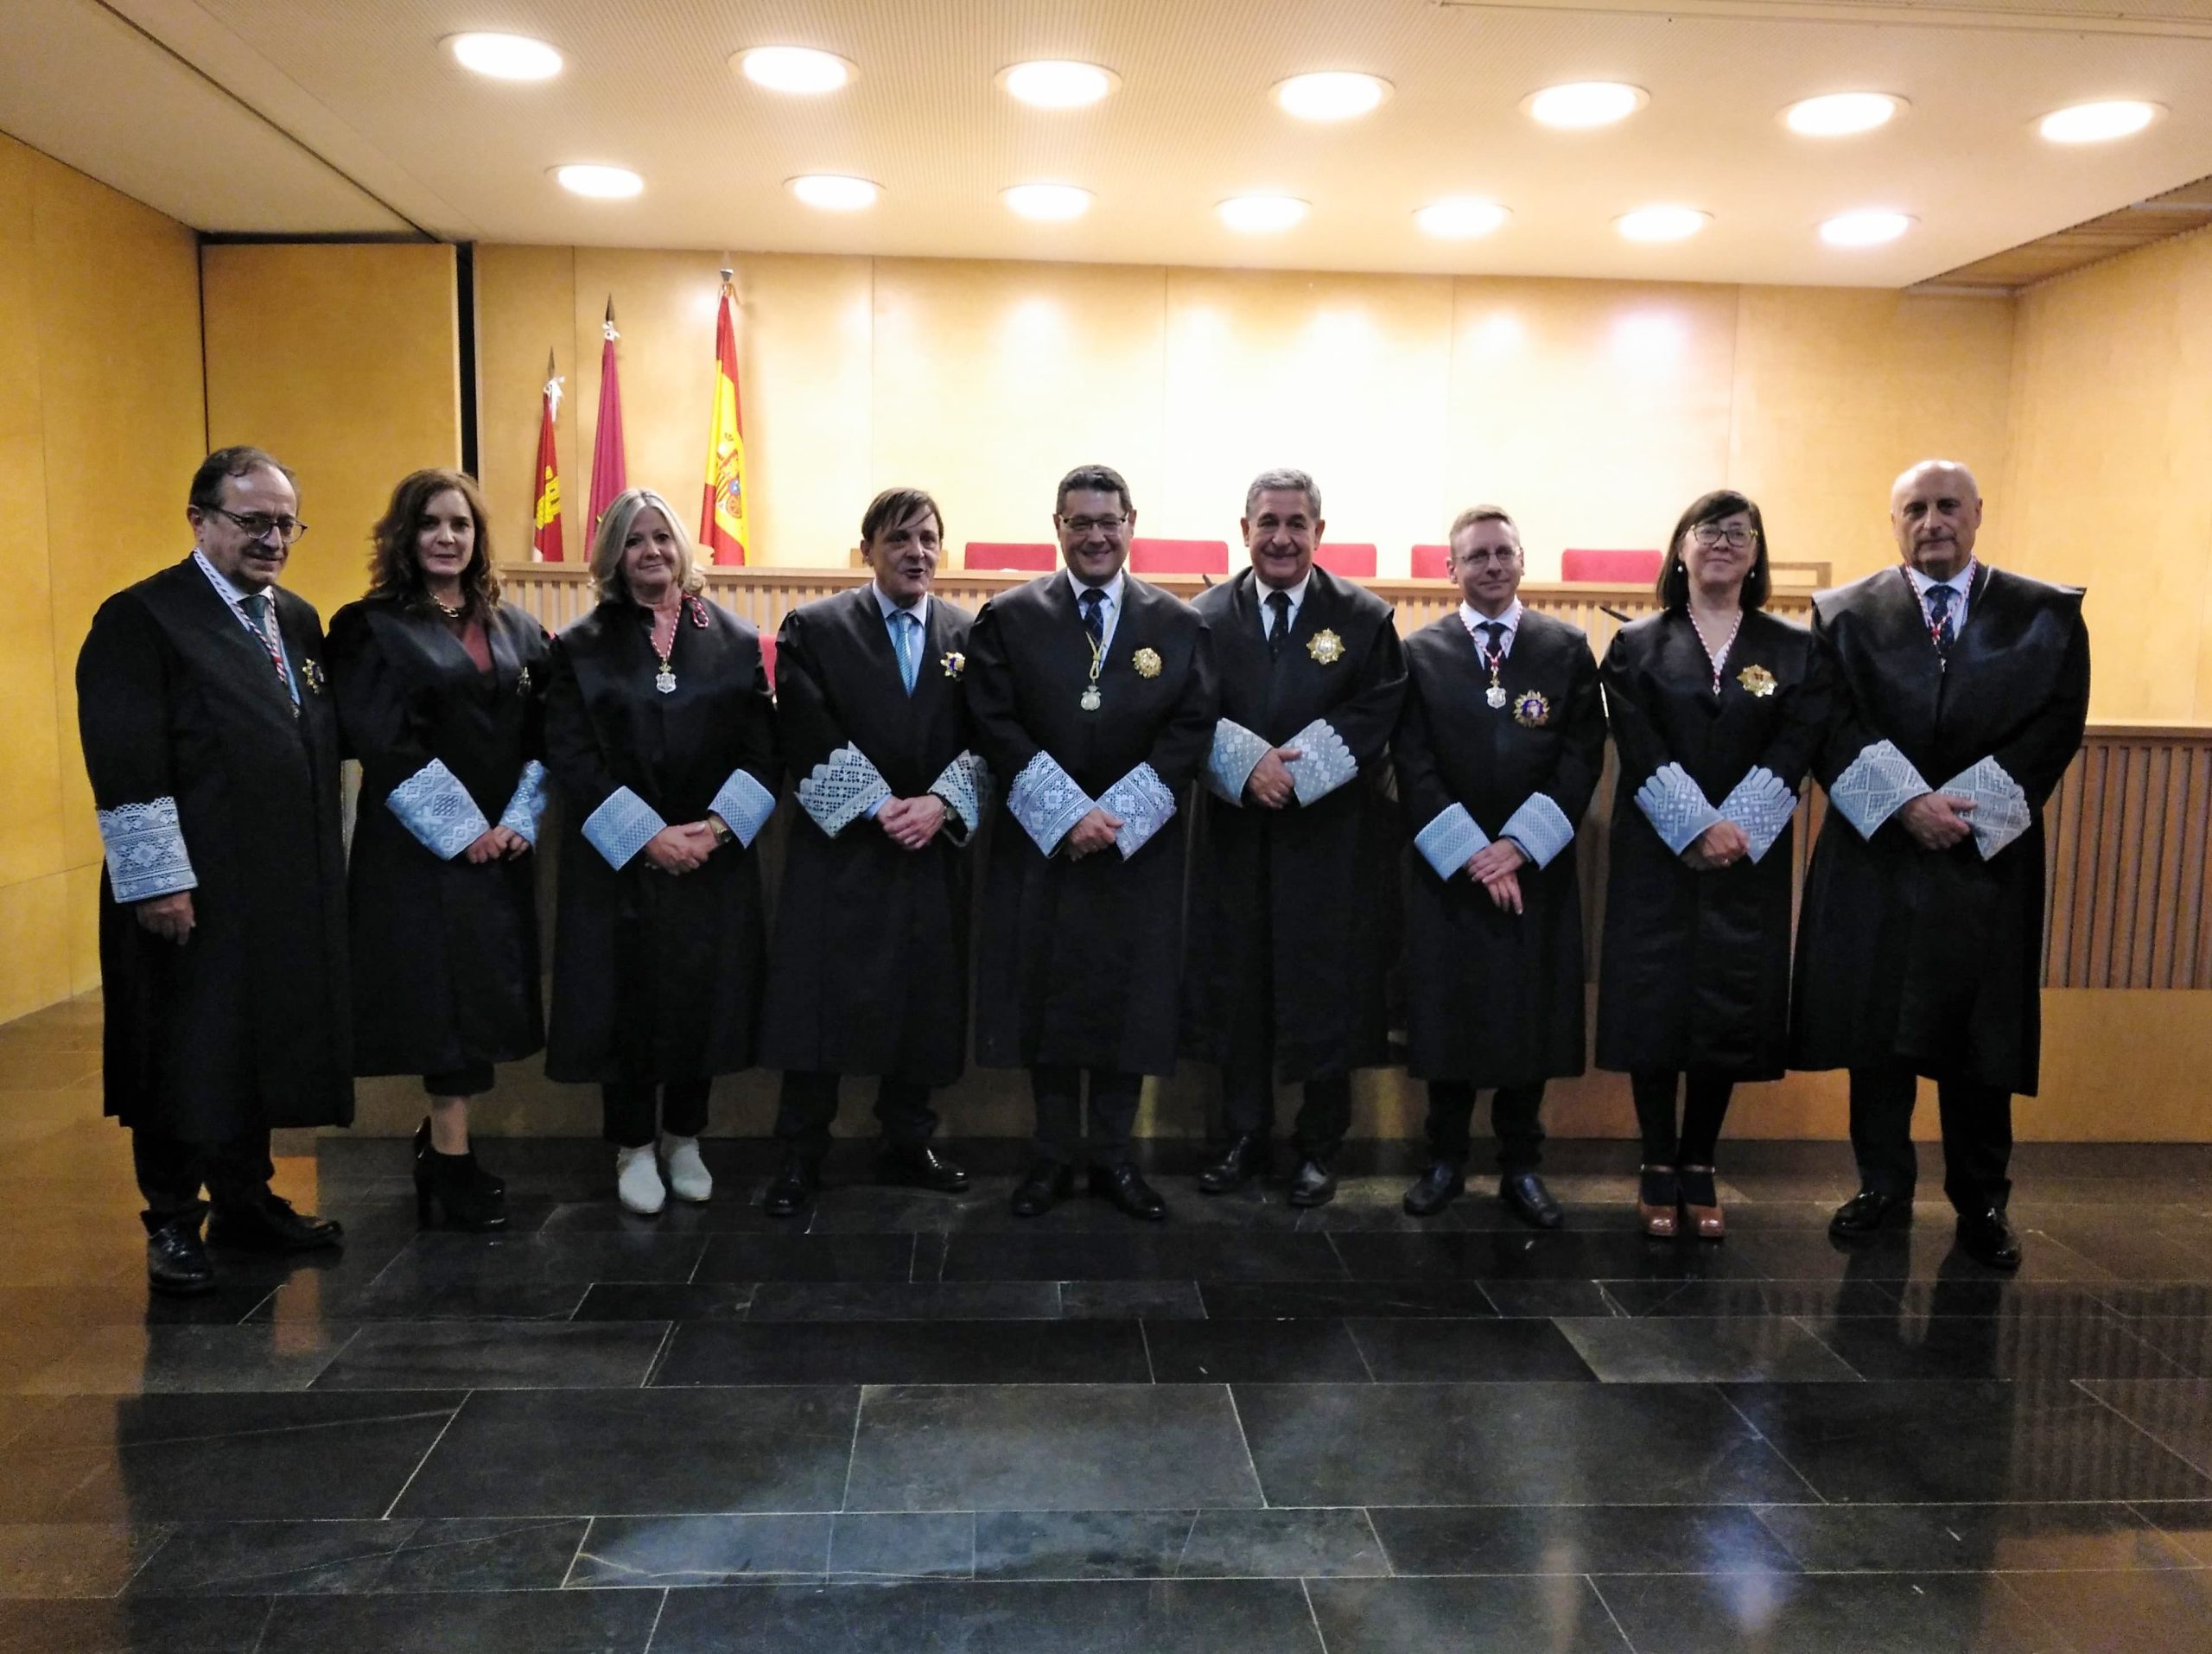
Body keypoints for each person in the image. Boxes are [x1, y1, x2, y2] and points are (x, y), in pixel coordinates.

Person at [1794, 460, 2090, 1272]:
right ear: (1894, 521)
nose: (1933, 521)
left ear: (1978, 513)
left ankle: (1983, 1201)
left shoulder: (2044, 614)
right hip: (1878, 853)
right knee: (1875, 1029)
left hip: (1986, 856)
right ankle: (1882, 1185)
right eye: (1916, 509)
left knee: (1982, 1036)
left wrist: (1963, 813)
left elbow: (2055, 724)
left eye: (1948, 506)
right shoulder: (1842, 613)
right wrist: (1905, 806)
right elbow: (1828, 722)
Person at [76, 446, 348, 1294]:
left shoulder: (295, 618)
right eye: (252, 521)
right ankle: (171, 1220)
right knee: (179, 1050)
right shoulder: (143, 618)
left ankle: (245, 1201)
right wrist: (157, 880)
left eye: (286, 525)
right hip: (188, 889)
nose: (273, 540)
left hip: (277, 891)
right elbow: (124, 759)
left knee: (251, 1049)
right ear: (199, 520)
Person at [965, 463, 1217, 1219]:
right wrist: (1065, 813)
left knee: (1128, 1002)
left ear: (1132, 525)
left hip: (1136, 852)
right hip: (1041, 848)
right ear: (1058, 528)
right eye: (1080, 522)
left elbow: (1190, 729)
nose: (1096, 536)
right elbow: (993, 722)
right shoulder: (1009, 618)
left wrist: (1119, 815)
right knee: (1043, 998)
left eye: (1109, 521)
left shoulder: (1179, 625)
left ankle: (1114, 1157)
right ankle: (1049, 1158)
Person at [1596, 490, 1831, 1239]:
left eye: (1739, 533)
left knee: (1727, 1003)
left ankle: (1700, 1161)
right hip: (1657, 851)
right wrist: (1695, 825)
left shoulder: (1793, 647)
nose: (1724, 543)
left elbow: (1797, 741)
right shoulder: (1637, 644)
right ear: (1681, 548)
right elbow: (1638, 742)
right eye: (1709, 531)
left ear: (1757, 553)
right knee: (1657, 1002)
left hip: (1748, 854)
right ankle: (1656, 1161)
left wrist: (1738, 827)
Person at [541, 487, 779, 1215]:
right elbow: (572, 755)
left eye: (662, 537)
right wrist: (648, 836)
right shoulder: (579, 646)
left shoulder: (735, 640)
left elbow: (764, 749)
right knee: (626, 1005)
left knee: (703, 1002)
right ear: (613, 555)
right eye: (634, 540)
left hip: (711, 860)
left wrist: (714, 829)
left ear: (683, 548)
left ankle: (685, 1139)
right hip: (621, 868)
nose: (651, 551)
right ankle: (633, 1147)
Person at [327, 468, 552, 1231]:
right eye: (430, 523)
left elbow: (545, 731)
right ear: (403, 535)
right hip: (418, 851)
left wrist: (518, 817)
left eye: (461, 524)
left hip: (502, 845)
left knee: (481, 998)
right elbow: (382, 740)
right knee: (436, 1001)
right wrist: (464, 830)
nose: (447, 537)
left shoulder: (516, 627)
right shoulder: (368, 627)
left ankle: (443, 1146)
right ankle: (451, 1160)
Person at [759, 487, 990, 1216]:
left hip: (929, 847)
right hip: (844, 853)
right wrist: (877, 804)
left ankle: (908, 1140)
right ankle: (801, 1152)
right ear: (868, 551)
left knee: (924, 999)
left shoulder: (970, 634)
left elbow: (990, 731)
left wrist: (942, 802)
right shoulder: (818, 628)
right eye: (899, 539)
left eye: (928, 539)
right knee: (818, 1002)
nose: (916, 553)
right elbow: (804, 724)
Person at [1182, 468, 1405, 1206]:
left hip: (1329, 840)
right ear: (1244, 530)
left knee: (1326, 987)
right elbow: (1187, 709)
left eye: (1296, 523)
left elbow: (1379, 710)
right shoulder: (1203, 618)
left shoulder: (1364, 617)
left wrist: (1296, 772)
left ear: (1319, 531)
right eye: (1268, 523)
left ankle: (1318, 1144)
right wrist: (1249, 766)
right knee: (1239, 983)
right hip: (1236, 834)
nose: (1281, 538)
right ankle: (1243, 1135)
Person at [1394, 506, 1605, 1229]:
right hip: (1449, 870)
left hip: (1535, 870)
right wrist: (1472, 854)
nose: (1491, 565)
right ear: (1451, 568)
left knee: (1529, 1021)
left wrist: (1517, 847)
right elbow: (1412, 762)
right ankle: (1444, 1161)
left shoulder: (1565, 647)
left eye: (1502, 553)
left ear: (1521, 560)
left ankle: (1522, 1166)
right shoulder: (1420, 653)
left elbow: (1581, 756)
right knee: (1448, 1017)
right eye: (1476, 555)